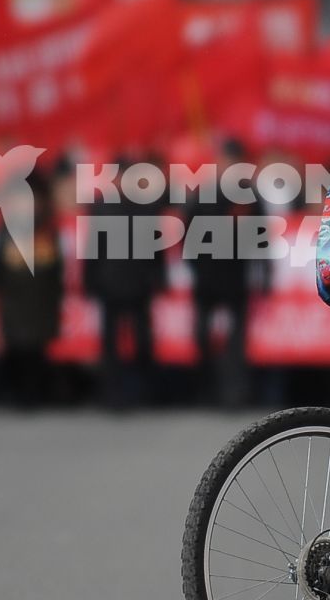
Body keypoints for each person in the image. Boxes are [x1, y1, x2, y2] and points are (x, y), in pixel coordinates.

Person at [84, 153, 167, 410]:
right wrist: (89, 279)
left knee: (143, 342)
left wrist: (158, 277)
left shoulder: (147, 205)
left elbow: (156, 246)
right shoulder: (101, 206)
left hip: (140, 284)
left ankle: (144, 393)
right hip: (110, 283)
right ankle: (112, 395)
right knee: (110, 345)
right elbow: (93, 247)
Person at [184, 138, 259, 408]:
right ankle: (206, 390)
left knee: (236, 343)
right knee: (202, 337)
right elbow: (188, 235)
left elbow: (260, 238)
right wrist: (195, 266)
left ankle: (236, 392)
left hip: (236, 279)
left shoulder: (249, 198)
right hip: (207, 279)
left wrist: (261, 274)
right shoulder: (203, 196)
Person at [0, 176, 65, 408]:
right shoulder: (6, 230)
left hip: (40, 300)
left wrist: (58, 297)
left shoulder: (48, 230)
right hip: (14, 300)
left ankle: (35, 393)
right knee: (15, 348)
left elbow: (57, 269)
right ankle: (18, 393)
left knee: (36, 350)